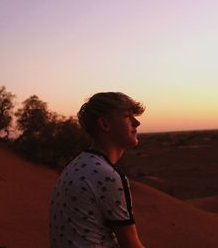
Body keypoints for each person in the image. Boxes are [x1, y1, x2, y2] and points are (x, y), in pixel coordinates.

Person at [49, 92, 146, 248]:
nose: (136, 123)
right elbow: (130, 245)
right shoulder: (107, 176)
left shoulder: (76, 165)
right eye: (128, 116)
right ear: (105, 124)